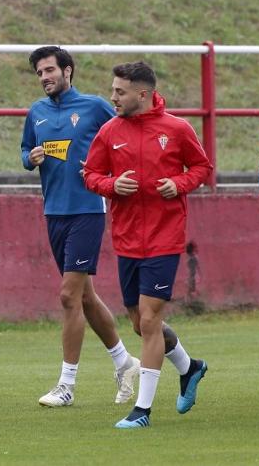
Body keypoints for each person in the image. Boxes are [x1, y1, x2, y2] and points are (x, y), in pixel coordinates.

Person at [82, 62, 212, 429]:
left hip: (165, 238)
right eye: (113, 90)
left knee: (151, 320)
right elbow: (90, 174)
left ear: (143, 94)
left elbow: (202, 168)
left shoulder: (177, 129)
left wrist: (179, 183)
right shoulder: (109, 131)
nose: (112, 97)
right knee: (140, 324)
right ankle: (191, 368)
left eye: (119, 91)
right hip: (126, 240)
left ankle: (142, 410)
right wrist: (110, 186)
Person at [19, 46, 139, 407]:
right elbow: (26, 150)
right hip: (53, 212)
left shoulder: (95, 107)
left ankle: (66, 385)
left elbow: (127, 136)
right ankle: (124, 362)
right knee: (84, 296)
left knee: (69, 295)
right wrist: (31, 158)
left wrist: (116, 173)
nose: (45, 77)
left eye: (50, 70)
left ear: (68, 70)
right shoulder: (36, 113)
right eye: (39, 72)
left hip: (88, 209)